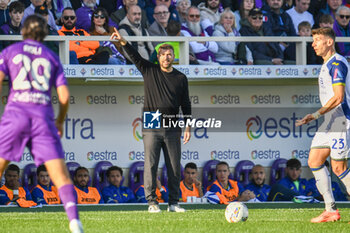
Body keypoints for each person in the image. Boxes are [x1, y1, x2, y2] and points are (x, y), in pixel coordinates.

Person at [0, 14, 83, 232]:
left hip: (15, 114)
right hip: (42, 118)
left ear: (23, 31)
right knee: (60, 173)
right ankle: (74, 222)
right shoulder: (52, 57)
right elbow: (64, 97)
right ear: (45, 33)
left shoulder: (9, 52)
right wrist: (60, 120)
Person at [110, 27, 191, 213]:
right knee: (151, 164)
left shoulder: (181, 77)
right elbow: (134, 56)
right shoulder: (150, 70)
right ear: (158, 56)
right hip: (152, 120)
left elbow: (185, 104)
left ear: (173, 57)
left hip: (172, 123)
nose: (166, 57)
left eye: (169, 54)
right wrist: (123, 42)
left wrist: (188, 126)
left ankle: (173, 203)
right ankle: (152, 202)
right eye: (163, 54)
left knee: (173, 166)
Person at [296, 27, 350, 223]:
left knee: (338, 168)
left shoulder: (336, 63)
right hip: (329, 121)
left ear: (329, 42)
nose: (313, 44)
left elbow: (339, 97)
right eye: (313, 40)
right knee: (314, 161)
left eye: (317, 39)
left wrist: (316, 114)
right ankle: (330, 210)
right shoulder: (327, 64)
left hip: (340, 120)